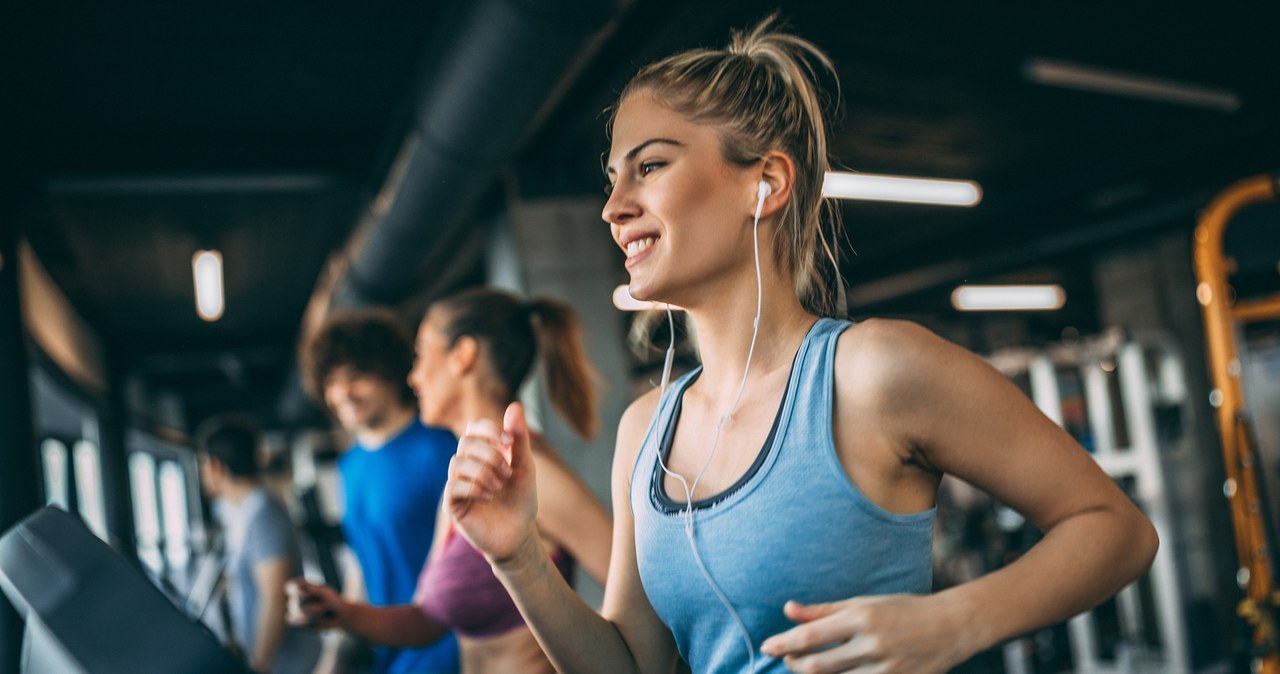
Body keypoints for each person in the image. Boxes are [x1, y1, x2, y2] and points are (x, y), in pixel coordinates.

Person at [440, 17, 1160, 674]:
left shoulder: (873, 374)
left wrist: (955, 621)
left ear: (767, 182)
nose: (613, 204)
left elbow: (1116, 530)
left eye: (650, 166)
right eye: (613, 177)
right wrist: (520, 558)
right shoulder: (644, 430)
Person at [287, 288, 612, 674]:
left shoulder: (529, 474)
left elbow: (646, 598)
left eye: (422, 353)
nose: (412, 376)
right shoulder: (461, 476)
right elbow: (427, 620)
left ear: (463, 356)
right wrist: (340, 612)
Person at [299, 310, 460, 674]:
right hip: (385, 650)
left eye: (357, 377)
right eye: (332, 382)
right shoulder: (349, 465)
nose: (343, 393)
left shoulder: (442, 448)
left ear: (391, 374)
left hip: (444, 648)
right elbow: (364, 563)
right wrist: (332, 657)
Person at [196, 415, 322, 674]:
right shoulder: (240, 511)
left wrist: (259, 666)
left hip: (289, 665)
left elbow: (275, 598)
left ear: (216, 466)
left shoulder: (263, 513)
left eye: (202, 465)